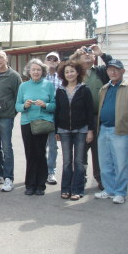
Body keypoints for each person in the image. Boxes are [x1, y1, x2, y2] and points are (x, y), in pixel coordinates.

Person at [70, 45, 112, 190]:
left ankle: (100, 178)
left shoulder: (101, 71)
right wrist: (75, 54)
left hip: (98, 118)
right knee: (80, 151)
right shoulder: (74, 72)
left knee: (98, 150)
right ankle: (81, 178)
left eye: (90, 54)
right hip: (79, 119)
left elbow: (113, 66)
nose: (88, 55)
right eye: (85, 54)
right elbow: (63, 67)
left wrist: (102, 54)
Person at [15, 59, 56, 196]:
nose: (36, 72)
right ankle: (30, 184)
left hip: (42, 122)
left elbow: (54, 105)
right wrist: (24, 106)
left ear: (43, 71)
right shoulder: (23, 86)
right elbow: (17, 106)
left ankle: (40, 184)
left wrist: (45, 105)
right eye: (33, 69)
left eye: (38, 69)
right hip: (27, 123)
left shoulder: (49, 85)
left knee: (40, 153)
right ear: (29, 71)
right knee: (30, 154)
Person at [55, 61, 94, 200]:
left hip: (81, 130)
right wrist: (56, 131)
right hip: (64, 130)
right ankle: (65, 189)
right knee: (66, 161)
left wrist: (90, 130)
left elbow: (90, 111)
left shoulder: (84, 89)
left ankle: (77, 190)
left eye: (72, 71)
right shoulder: (60, 90)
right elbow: (57, 111)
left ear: (77, 72)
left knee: (79, 162)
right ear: (63, 75)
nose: (69, 74)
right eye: (66, 72)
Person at [95, 59, 128, 204]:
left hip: (120, 131)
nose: (112, 72)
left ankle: (120, 192)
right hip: (103, 129)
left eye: (116, 69)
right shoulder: (104, 88)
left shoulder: (126, 87)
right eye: (110, 69)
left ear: (123, 71)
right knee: (105, 163)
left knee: (120, 163)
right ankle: (109, 190)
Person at [0, 51, 22, 192]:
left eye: (1, 57)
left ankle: (9, 177)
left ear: (6, 59)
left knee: (7, 147)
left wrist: (12, 113)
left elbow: (18, 96)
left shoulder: (14, 76)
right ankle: (0, 174)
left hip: (5, 117)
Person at [44, 52, 62, 185]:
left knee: (53, 146)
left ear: (58, 62)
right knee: (39, 145)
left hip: (55, 115)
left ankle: (51, 172)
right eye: (49, 59)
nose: (51, 61)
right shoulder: (40, 76)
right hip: (40, 115)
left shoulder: (62, 78)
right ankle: (41, 170)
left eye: (54, 59)